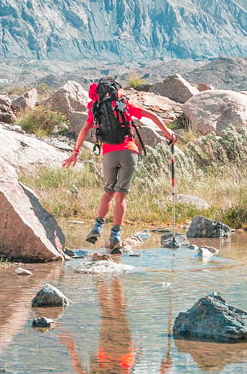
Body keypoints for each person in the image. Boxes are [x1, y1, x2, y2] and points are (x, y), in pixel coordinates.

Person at [62, 78, 176, 251]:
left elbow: (85, 130)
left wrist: (75, 153)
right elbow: (151, 116)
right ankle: (115, 235)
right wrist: (169, 135)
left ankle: (98, 227)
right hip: (129, 152)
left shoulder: (97, 108)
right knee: (120, 197)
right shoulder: (125, 104)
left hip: (109, 153)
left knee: (108, 192)